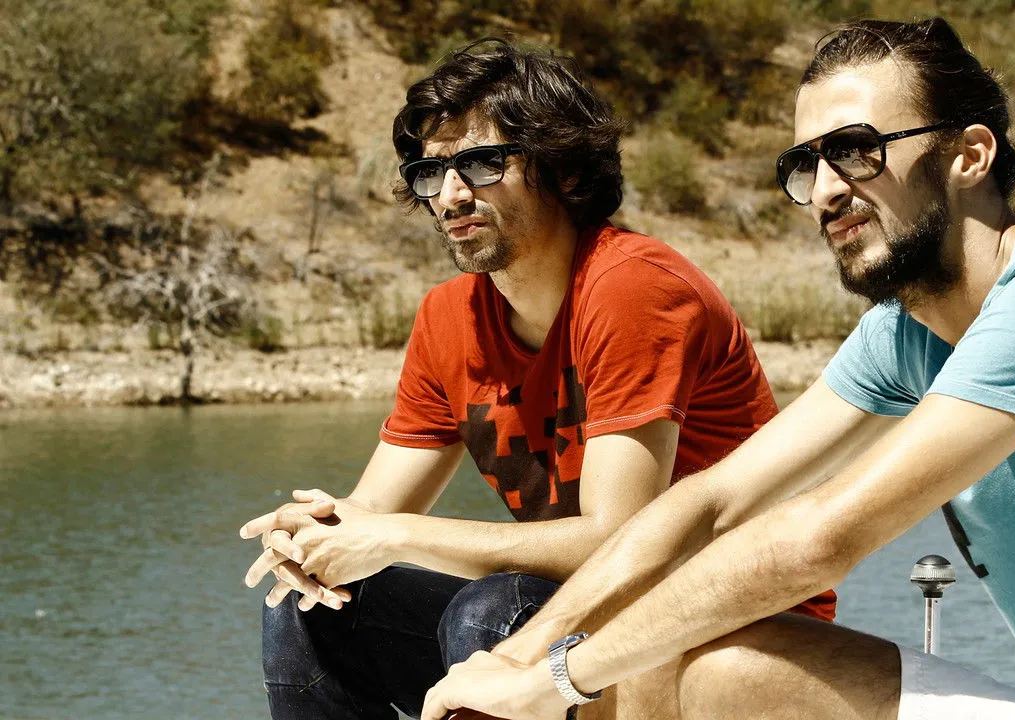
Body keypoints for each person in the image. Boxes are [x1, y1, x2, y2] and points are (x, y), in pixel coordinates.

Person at [421, 18, 1015, 720]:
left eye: (858, 150)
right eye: (807, 164)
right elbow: (707, 502)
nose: (828, 188)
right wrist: (524, 654)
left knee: (713, 660)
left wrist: (558, 678)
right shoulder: (904, 334)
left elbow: (818, 541)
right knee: (683, 648)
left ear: (970, 155)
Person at [235, 39, 837, 719]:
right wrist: (317, 537)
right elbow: (370, 514)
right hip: (580, 621)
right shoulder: (447, 318)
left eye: (481, 164)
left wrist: (394, 536)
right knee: (311, 605)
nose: (451, 195)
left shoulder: (632, 288)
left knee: (498, 609)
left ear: (566, 172)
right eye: (431, 172)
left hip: (726, 634)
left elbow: (618, 540)